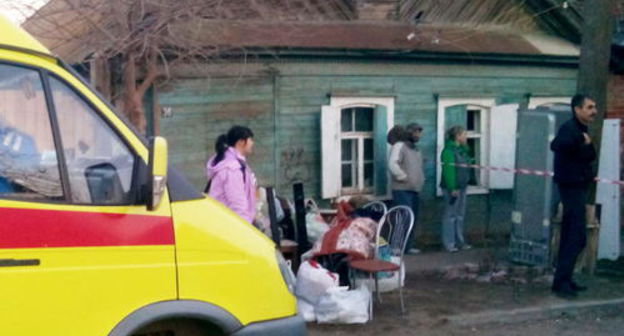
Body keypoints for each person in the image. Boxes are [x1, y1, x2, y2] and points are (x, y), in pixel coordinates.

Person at [550, 94, 597, 299]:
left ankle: (564, 279)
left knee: (574, 236)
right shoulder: (569, 129)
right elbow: (558, 145)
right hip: (571, 187)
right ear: (577, 109)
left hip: (578, 185)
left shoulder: (581, 130)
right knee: (575, 236)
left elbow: (590, 155)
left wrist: (586, 146)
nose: (593, 111)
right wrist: (584, 145)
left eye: (594, 107)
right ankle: (561, 282)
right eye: (589, 107)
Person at [206, 126, 257, 223]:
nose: (252, 143)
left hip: (225, 222)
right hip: (229, 225)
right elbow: (237, 202)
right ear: (241, 142)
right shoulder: (232, 168)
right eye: (250, 140)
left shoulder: (234, 163)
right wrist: (245, 227)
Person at [388, 123, 425, 254]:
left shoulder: (416, 149)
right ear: (409, 132)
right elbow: (393, 164)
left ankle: (408, 246)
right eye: (416, 132)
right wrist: (402, 176)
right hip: (402, 189)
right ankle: (396, 246)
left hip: (415, 189)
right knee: (403, 218)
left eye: (419, 132)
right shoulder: (399, 146)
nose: (418, 135)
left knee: (412, 218)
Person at [440, 125, 472, 253]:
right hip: (452, 188)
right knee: (450, 215)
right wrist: (453, 187)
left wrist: (465, 147)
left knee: (460, 215)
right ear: (457, 136)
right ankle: (449, 243)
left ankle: (460, 240)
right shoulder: (448, 151)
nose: (466, 137)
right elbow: (449, 171)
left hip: (463, 186)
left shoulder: (461, 150)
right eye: (464, 134)